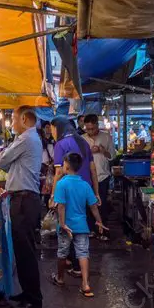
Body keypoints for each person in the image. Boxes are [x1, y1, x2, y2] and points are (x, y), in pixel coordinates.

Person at [0, 106, 44, 308]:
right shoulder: (29, 139)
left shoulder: (25, 139)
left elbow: (2, 161)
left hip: (24, 200)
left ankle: (33, 298)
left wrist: (3, 154)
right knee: (24, 249)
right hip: (26, 199)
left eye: (14, 119)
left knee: (25, 250)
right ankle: (28, 293)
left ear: (24, 119)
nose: (12, 123)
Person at [51, 152, 107, 298]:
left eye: (63, 164)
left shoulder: (62, 184)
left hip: (66, 226)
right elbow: (93, 206)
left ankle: (60, 278)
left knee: (62, 253)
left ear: (67, 166)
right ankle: (85, 284)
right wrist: (99, 221)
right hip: (82, 226)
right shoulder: (85, 184)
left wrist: (62, 224)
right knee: (83, 253)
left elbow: (61, 206)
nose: (62, 167)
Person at [49, 116, 99, 276]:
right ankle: (77, 265)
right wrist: (96, 192)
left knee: (66, 227)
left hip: (67, 191)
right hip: (85, 190)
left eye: (52, 129)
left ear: (58, 128)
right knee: (80, 224)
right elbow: (93, 169)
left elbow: (58, 172)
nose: (51, 133)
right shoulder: (83, 142)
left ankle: (70, 265)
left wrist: (52, 195)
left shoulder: (61, 144)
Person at [81, 114, 114, 239]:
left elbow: (112, 156)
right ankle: (90, 229)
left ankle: (102, 230)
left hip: (102, 176)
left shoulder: (106, 137)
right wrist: (88, 151)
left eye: (92, 129)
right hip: (86, 177)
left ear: (97, 125)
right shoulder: (82, 139)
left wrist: (102, 150)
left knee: (102, 203)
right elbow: (77, 158)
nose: (90, 131)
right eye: (88, 129)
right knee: (88, 204)